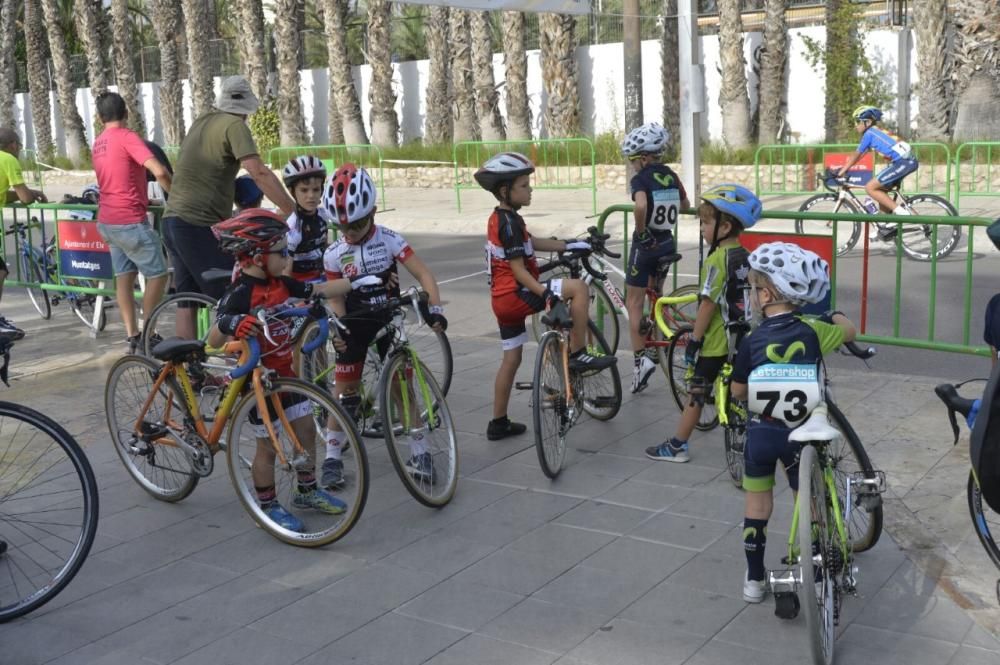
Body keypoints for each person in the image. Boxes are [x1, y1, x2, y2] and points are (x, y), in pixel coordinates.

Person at [206, 209, 373, 533]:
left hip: (285, 375)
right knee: (268, 447)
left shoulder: (281, 283)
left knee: (306, 432)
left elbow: (318, 290)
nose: (287, 257)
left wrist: (356, 282)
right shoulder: (241, 291)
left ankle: (306, 490)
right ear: (255, 256)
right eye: (281, 251)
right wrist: (235, 322)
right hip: (257, 384)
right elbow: (213, 337)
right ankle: (267, 503)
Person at [729, 242, 856, 603]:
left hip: (762, 433)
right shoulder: (815, 331)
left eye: (753, 290)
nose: (751, 296)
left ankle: (754, 580)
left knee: (757, 505)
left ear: (766, 294)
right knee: (810, 503)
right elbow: (851, 332)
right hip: (801, 434)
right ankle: (816, 576)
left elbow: (739, 390)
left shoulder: (752, 340)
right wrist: (836, 316)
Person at [319, 164, 448, 486]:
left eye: (358, 223)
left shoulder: (390, 240)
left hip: (388, 320)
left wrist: (433, 308)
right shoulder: (334, 254)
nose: (349, 232)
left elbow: (424, 274)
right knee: (343, 390)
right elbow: (335, 299)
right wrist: (339, 327)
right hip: (355, 323)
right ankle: (332, 458)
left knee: (402, 390)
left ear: (374, 212)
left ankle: (420, 453)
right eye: (342, 225)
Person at [476, 152, 616, 441]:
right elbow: (518, 270)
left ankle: (498, 422)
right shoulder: (510, 224)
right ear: (506, 190)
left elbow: (533, 243)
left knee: (511, 359)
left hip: (501, 303)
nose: (530, 190)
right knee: (577, 288)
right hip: (518, 294)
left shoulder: (503, 218)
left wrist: (569, 243)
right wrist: (545, 294)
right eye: (524, 186)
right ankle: (578, 353)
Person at [162, 75, 294, 340]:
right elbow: (258, 171)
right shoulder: (235, 125)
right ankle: (235, 369)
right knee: (234, 295)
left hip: (172, 220)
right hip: (196, 224)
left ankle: (187, 370)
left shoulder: (203, 120)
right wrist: (290, 207)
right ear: (246, 109)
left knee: (187, 301)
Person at [646, 184, 758, 462]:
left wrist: (694, 341)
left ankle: (677, 446)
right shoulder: (747, 256)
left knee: (697, 390)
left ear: (724, 227)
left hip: (717, 341)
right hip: (744, 338)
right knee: (742, 388)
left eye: (705, 223)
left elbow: (708, 304)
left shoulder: (717, 260)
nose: (702, 229)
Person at [91, 91, 173, 353]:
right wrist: (176, 196)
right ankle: (149, 333)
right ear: (126, 113)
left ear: (99, 117)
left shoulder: (99, 142)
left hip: (107, 220)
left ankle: (133, 335)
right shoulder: (128, 137)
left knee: (123, 279)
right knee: (159, 275)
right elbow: (158, 170)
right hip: (130, 221)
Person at [620, 122, 690, 393]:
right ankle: (653, 338)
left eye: (635, 160)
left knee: (634, 301)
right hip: (667, 241)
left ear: (645, 157)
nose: (634, 165)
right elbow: (685, 205)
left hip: (647, 243)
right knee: (656, 296)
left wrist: (641, 232)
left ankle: (641, 363)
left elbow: (640, 205)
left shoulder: (641, 179)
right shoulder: (671, 175)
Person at [836, 105, 917, 225]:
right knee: (879, 190)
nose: (855, 125)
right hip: (905, 162)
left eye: (858, 121)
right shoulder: (875, 132)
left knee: (870, 187)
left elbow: (856, 155)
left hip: (903, 162)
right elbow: (861, 155)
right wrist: (847, 168)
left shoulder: (869, 134)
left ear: (867, 122)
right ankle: (885, 225)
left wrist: (841, 171)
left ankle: (901, 213)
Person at [0, 127, 45, 340]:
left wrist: (20, 196)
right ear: (12, 145)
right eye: (18, 144)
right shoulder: (8, 160)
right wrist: (32, 194)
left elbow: (5, 195)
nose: (19, 148)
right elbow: (25, 197)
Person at [281, 156, 330, 282]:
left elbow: (324, 247)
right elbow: (286, 272)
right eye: (304, 190)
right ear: (292, 192)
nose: (311, 196)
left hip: (322, 276)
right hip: (301, 284)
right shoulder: (293, 227)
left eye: (316, 189)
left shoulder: (323, 215)